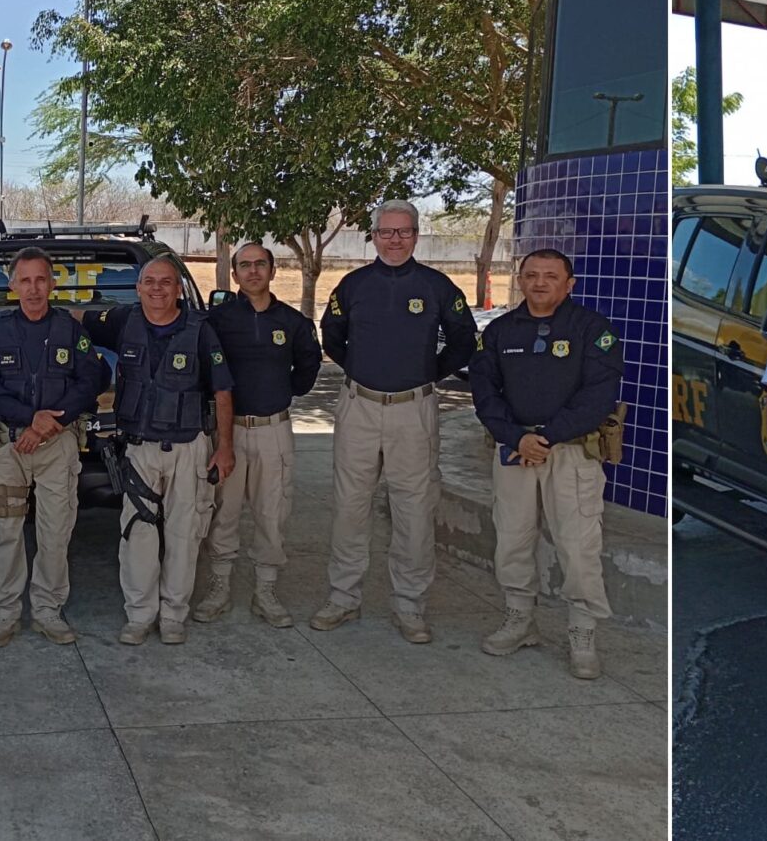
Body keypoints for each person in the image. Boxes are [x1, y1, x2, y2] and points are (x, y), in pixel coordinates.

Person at [314, 199, 476, 643]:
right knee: (350, 506)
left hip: (414, 409)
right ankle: (343, 598)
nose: (395, 239)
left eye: (403, 232)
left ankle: (410, 606)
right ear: (374, 235)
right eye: (386, 232)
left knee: (414, 510)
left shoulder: (438, 287)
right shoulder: (353, 286)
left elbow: (464, 342)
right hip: (359, 405)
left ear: (416, 235)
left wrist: (426, 373)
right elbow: (334, 338)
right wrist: (364, 372)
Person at [470, 248, 625, 680]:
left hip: (571, 451)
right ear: (519, 280)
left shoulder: (593, 330)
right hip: (515, 450)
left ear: (569, 284)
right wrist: (516, 436)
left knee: (578, 546)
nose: (540, 283)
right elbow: (484, 392)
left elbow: (598, 396)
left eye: (551, 276)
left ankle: (582, 632)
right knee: (513, 539)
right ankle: (520, 620)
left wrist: (547, 437)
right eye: (531, 275)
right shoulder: (500, 332)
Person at [84, 255, 235, 645]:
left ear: (178, 288)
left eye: (165, 282)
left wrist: (225, 448)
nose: (156, 289)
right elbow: (72, 319)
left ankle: (173, 616)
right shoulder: (123, 321)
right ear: (138, 288)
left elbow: (222, 391)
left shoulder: (201, 330)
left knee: (185, 535)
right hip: (138, 449)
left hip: (189, 446)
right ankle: (139, 615)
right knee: (137, 534)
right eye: (149, 281)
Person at [0, 246, 108, 647]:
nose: (33, 288)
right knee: (6, 531)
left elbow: (92, 380)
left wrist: (55, 419)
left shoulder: (69, 330)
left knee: (55, 531)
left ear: (52, 283)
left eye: (41, 279)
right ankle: (5, 613)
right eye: (24, 280)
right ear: (12, 285)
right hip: (10, 446)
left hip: (56, 447)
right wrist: (27, 419)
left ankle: (48, 610)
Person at [196, 242, 320, 629]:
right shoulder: (217, 320)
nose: (253, 272)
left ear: (272, 270)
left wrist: (280, 393)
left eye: (260, 264)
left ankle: (265, 590)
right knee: (223, 511)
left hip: (274, 430)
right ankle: (219, 586)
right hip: (227, 432)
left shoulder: (292, 322)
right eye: (245, 266)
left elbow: (308, 368)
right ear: (234, 275)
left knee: (273, 512)